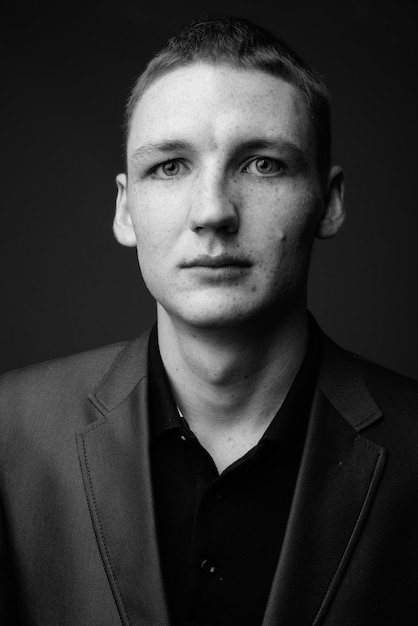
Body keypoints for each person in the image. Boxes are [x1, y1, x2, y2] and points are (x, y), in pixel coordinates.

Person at [1, 15, 418, 626]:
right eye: (170, 166)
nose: (213, 212)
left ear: (329, 203)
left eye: (263, 164)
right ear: (125, 211)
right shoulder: (7, 434)